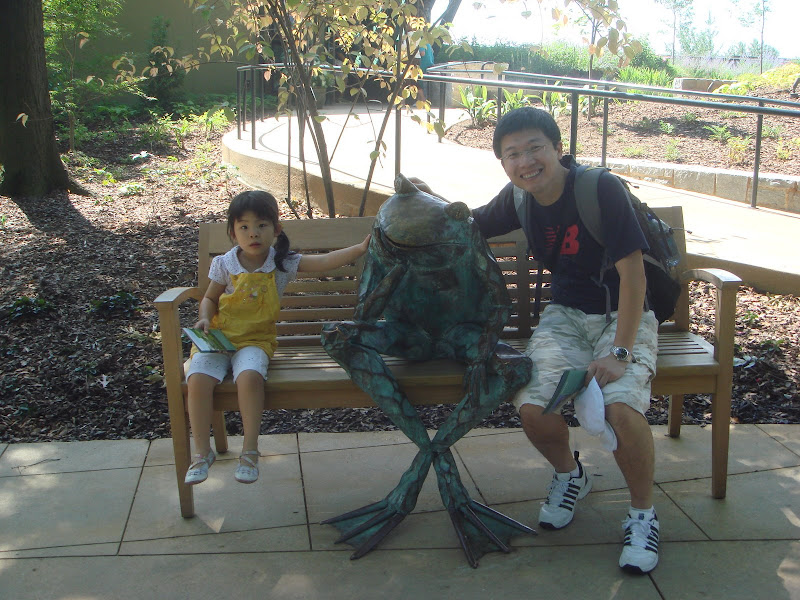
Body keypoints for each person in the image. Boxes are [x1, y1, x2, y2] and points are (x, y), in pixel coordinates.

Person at [414, 106, 660, 574]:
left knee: (620, 409)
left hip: (622, 316)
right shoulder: (519, 198)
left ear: (557, 149)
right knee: (532, 408)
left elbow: (634, 275)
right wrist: (421, 202)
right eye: (513, 154)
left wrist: (620, 352)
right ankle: (571, 475)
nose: (525, 162)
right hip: (565, 317)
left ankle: (643, 515)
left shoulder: (600, 188)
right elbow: (467, 224)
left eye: (534, 148)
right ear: (503, 163)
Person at [184, 190, 370, 486]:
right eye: (244, 226)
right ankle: (201, 452)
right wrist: (205, 317)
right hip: (218, 339)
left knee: (250, 377)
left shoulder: (282, 262)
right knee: (197, 380)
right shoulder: (224, 263)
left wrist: (358, 250)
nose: (253, 233)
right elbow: (209, 298)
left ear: (276, 229)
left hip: (255, 341)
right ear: (232, 232)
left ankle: (249, 451)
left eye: (262, 225)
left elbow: (323, 261)